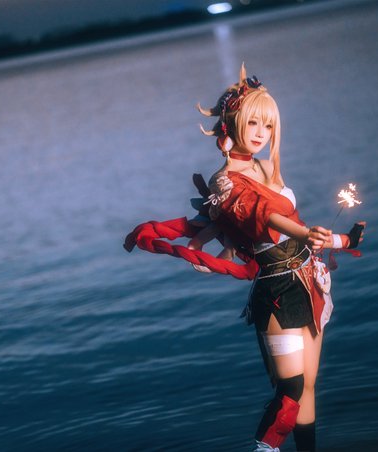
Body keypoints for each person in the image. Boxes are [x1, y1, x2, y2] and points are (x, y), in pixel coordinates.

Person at [124, 64, 365, 451]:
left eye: (268, 125)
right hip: (276, 292)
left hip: (309, 282)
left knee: (307, 389)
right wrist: (304, 233)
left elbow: (288, 218)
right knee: (290, 391)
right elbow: (260, 213)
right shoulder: (223, 182)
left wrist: (335, 240)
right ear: (231, 123)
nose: (261, 133)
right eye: (253, 122)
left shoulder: (267, 166)